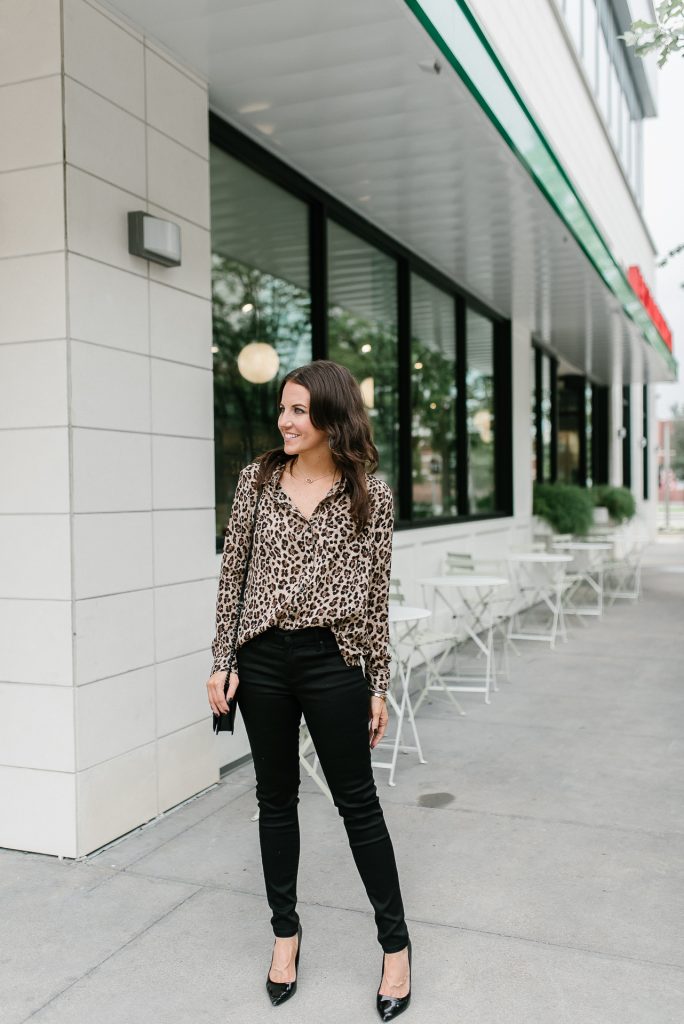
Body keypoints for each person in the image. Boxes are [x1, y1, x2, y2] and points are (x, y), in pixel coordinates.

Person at [206, 360, 412, 1020]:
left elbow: (376, 597)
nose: (285, 421)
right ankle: (285, 937)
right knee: (275, 800)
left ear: (331, 417)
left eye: (299, 410)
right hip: (262, 659)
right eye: (283, 409)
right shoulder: (257, 481)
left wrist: (378, 683)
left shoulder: (369, 495)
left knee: (358, 802)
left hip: (335, 661)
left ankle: (396, 948)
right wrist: (222, 659)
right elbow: (233, 574)